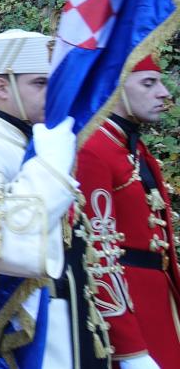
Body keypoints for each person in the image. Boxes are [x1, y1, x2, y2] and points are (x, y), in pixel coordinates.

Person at [0, 29, 109, 367]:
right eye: (40, 84)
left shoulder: (46, 145)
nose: (54, 95)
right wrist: (49, 168)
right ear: (3, 87)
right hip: (6, 330)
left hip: (69, 321)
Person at [77, 55, 180, 369]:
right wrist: (130, 350)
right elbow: (99, 254)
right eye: (149, 83)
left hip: (159, 299)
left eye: (159, 82)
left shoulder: (132, 147)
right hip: (132, 310)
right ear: (116, 87)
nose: (163, 92)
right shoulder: (94, 149)